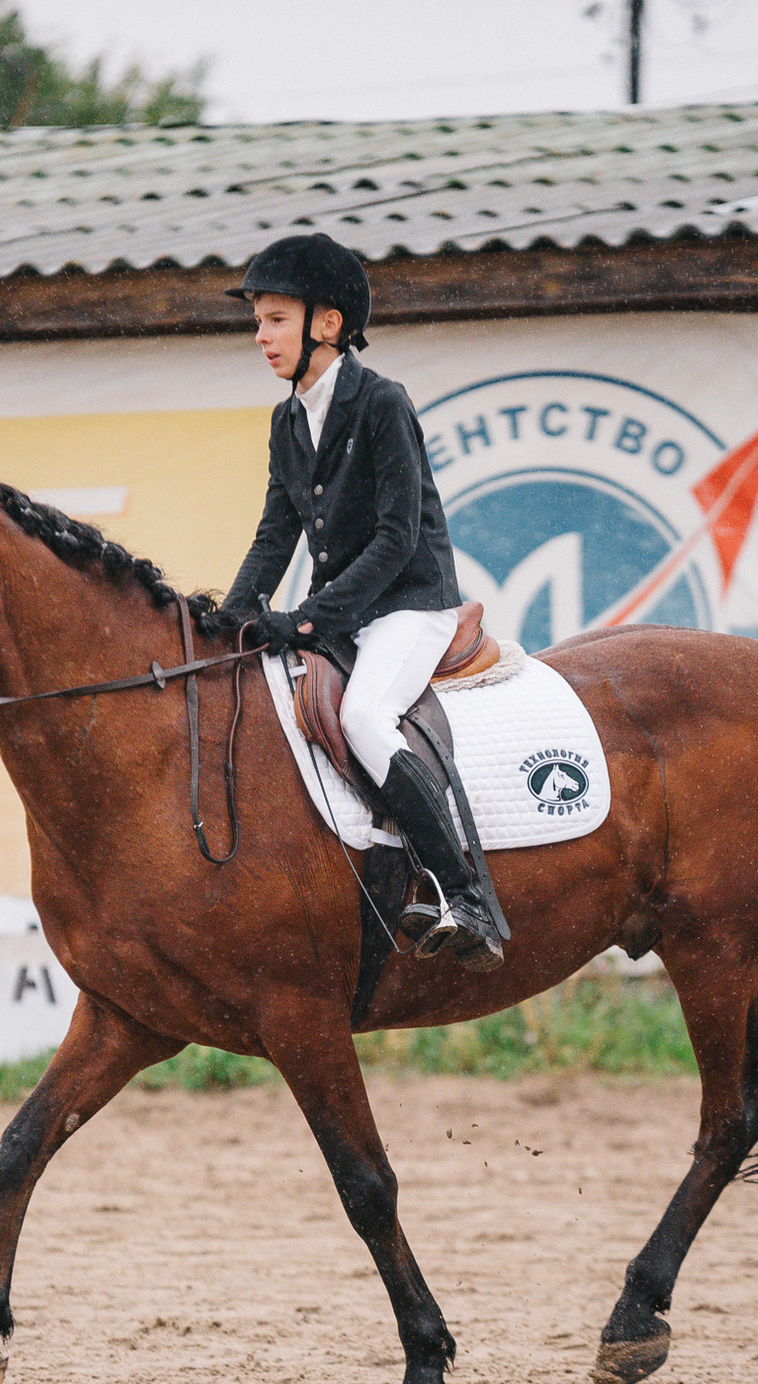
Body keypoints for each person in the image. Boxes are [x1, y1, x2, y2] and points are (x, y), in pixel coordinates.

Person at [219, 233, 505, 972]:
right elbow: (274, 536)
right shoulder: (288, 422)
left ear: (328, 324)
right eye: (258, 321)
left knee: (362, 716)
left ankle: (464, 892)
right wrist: (230, 615)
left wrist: (307, 618)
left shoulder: (382, 402)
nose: (261, 336)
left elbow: (394, 537)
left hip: (412, 604)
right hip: (352, 612)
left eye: (276, 319)